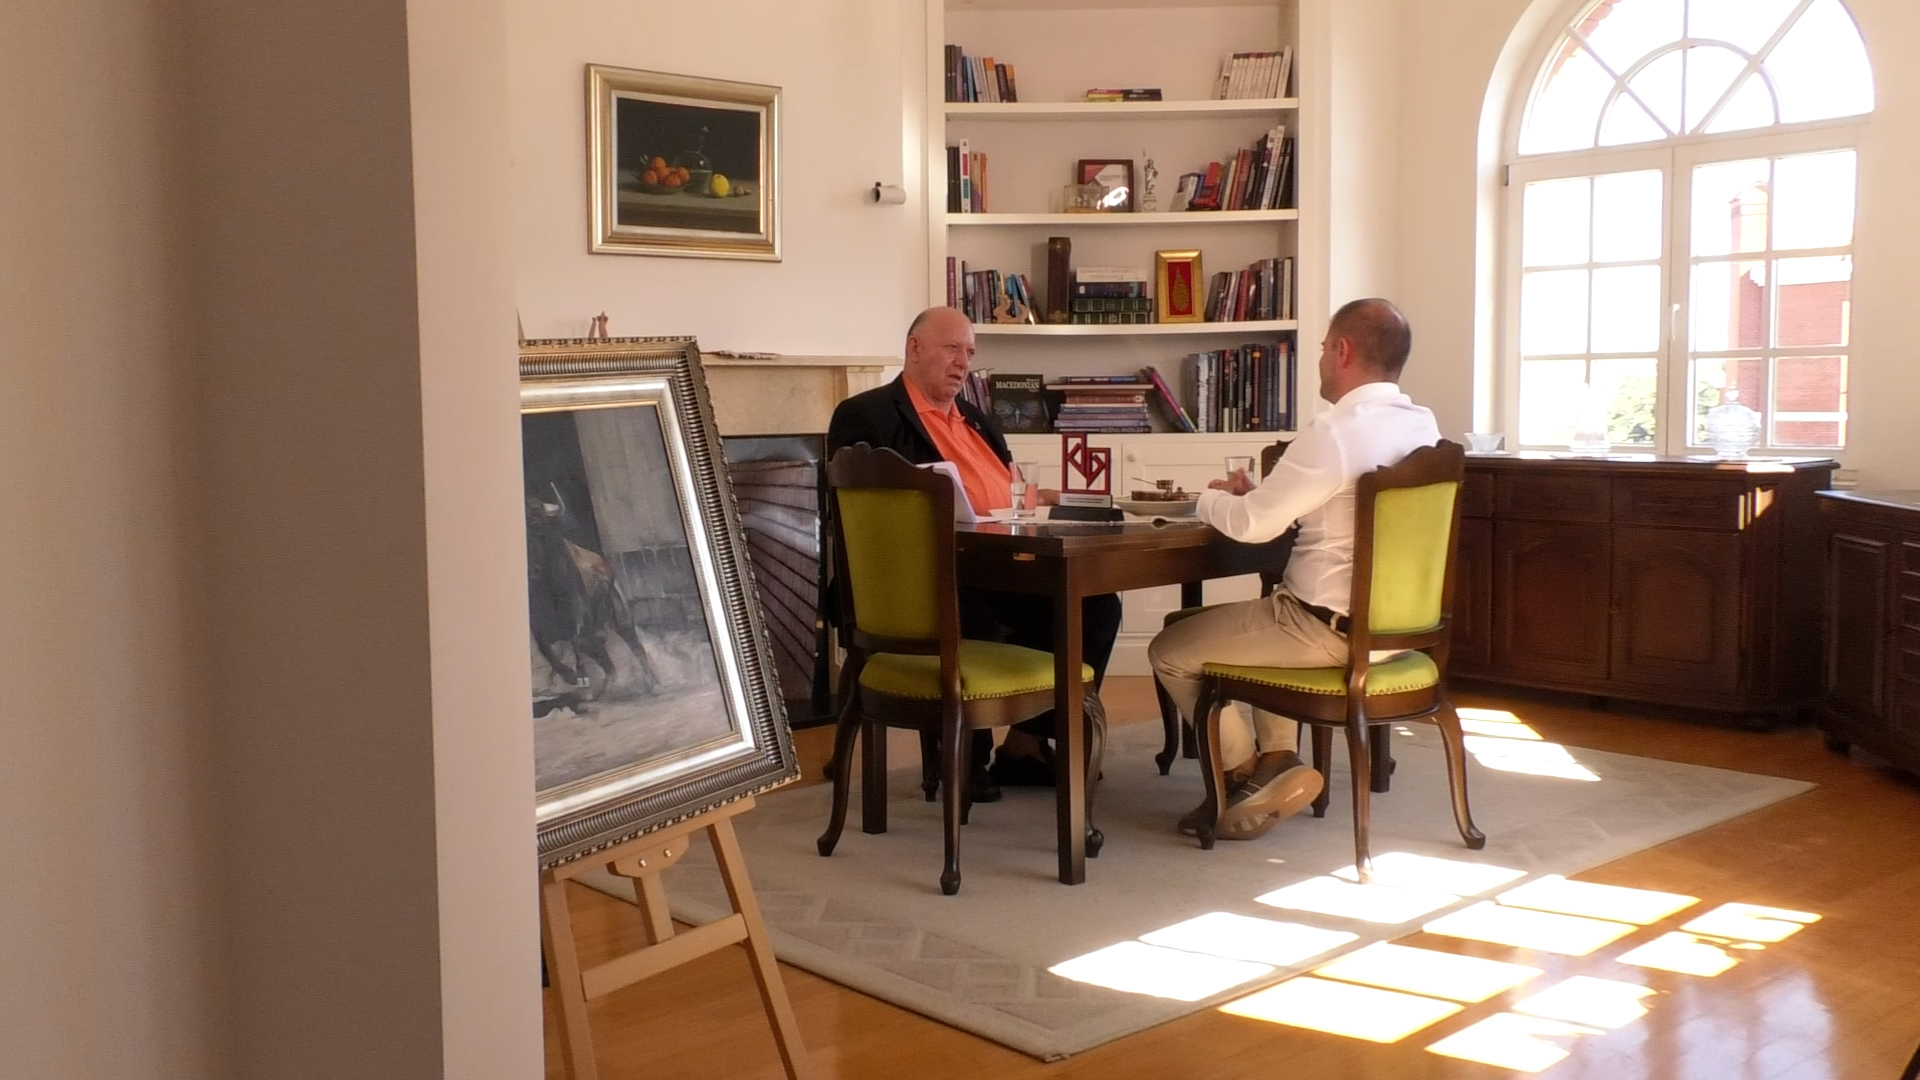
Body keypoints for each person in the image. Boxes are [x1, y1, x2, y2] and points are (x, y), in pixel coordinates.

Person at [1148, 298, 1440, 840]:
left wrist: (1204, 500)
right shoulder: (1423, 427)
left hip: (1323, 630)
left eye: (1325, 348)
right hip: (1395, 633)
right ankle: (1278, 759)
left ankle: (1239, 777)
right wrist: (1262, 494)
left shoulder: (1335, 431)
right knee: (1270, 610)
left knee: (1169, 650)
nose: (1321, 359)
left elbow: (1253, 527)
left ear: (1343, 351)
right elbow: (1336, 507)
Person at [827, 306, 1123, 802]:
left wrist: (1048, 500)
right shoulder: (867, 414)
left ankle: (1024, 746)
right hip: (917, 580)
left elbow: (1007, 493)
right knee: (974, 617)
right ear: (914, 348)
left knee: (1095, 605)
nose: (963, 362)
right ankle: (966, 757)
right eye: (951, 348)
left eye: (969, 352)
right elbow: (865, 514)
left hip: (994, 565)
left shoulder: (978, 420)